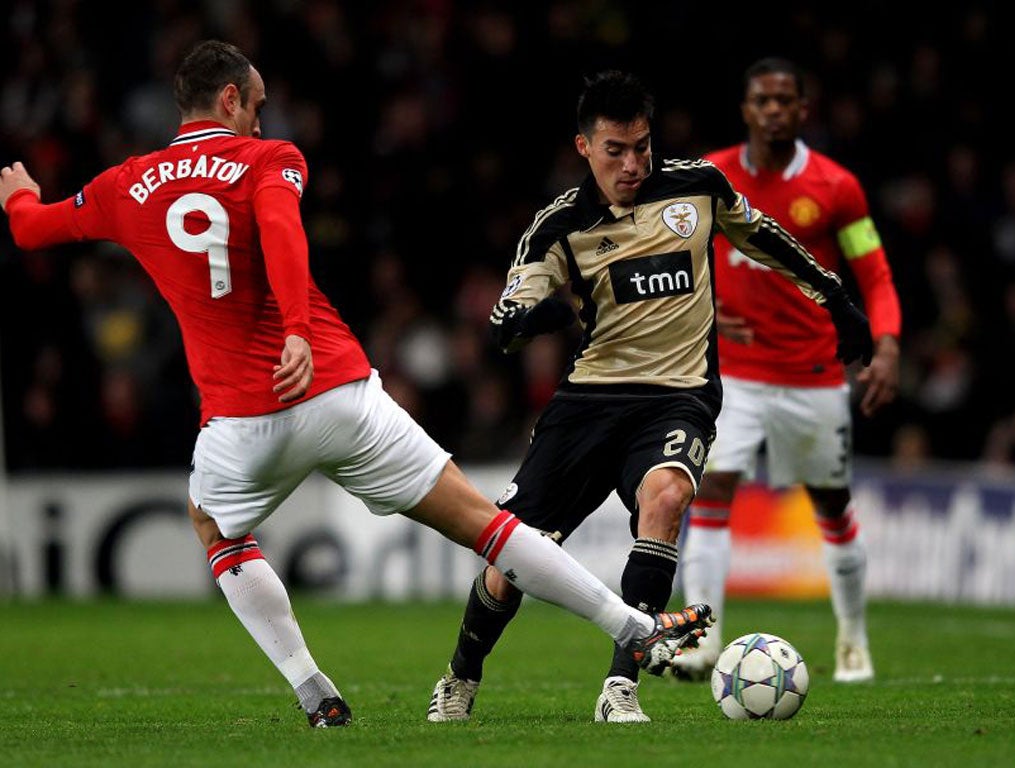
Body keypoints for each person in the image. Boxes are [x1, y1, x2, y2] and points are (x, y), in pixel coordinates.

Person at [0, 41, 717, 728]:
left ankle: (315, 692)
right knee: (487, 525)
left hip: (242, 423)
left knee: (214, 525)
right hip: (340, 392)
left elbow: (33, 231)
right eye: (256, 103)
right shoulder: (269, 158)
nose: (261, 117)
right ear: (227, 98)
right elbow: (281, 233)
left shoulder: (125, 183)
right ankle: (633, 626)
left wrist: (19, 199)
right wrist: (296, 334)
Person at [425, 69, 874, 724]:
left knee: (665, 498)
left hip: (677, 397)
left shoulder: (698, 188)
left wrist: (834, 296)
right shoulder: (560, 225)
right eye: (616, 150)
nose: (634, 163)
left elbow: (767, 238)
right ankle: (461, 676)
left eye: (642, 146)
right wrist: (527, 322)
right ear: (584, 147)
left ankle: (620, 689)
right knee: (512, 558)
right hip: (587, 406)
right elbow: (506, 317)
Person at [673, 57, 901, 684]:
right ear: (745, 109)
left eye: (784, 101)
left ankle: (853, 639)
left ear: (804, 110)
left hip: (813, 372)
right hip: (733, 375)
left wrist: (888, 344)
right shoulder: (709, 176)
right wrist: (709, 315)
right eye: (761, 101)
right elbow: (670, 260)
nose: (773, 110)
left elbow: (874, 273)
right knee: (710, 489)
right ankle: (702, 638)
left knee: (831, 503)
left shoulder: (835, 188)